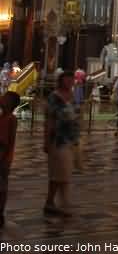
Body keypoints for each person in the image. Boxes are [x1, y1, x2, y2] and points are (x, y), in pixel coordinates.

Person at [44, 70, 79, 216]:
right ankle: (60, 203)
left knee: (63, 173)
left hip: (70, 139)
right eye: (67, 79)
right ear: (61, 80)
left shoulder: (72, 96)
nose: (70, 82)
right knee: (60, 172)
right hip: (57, 139)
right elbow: (50, 120)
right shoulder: (54, 97)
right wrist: (46, 140)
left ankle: (53, 202)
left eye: (72, 79)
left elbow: (76, 116)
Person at [0, 91, 20, 227]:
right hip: (4, 157)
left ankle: (0, 212)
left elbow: (7, 142)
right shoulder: (3, 117)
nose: (1, 98)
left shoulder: (9, 119)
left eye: (5, 98)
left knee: (1, 187)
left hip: (2, 159)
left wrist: (6, 158)